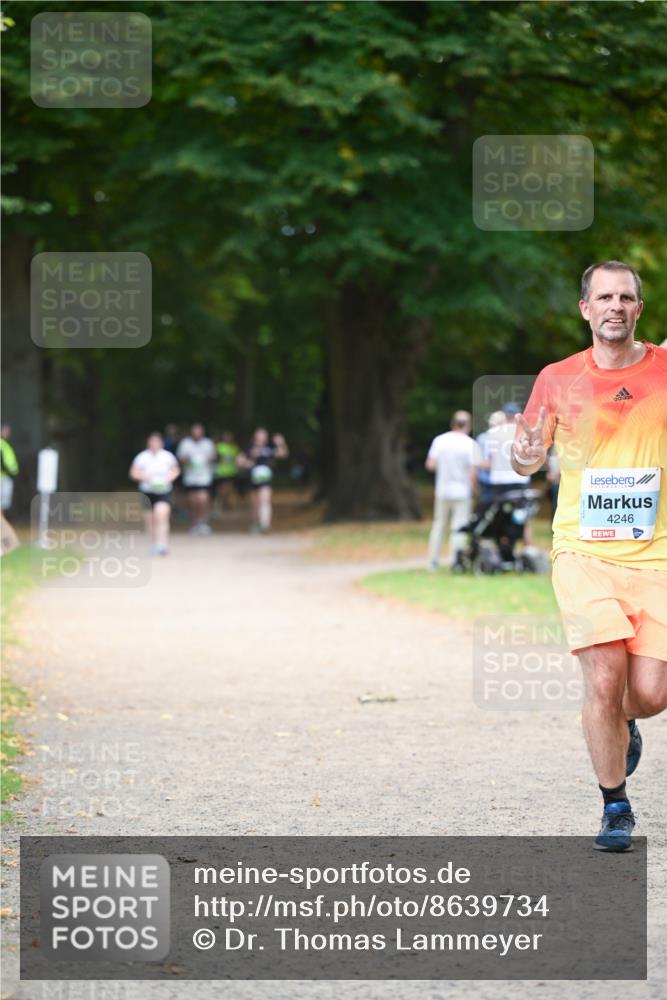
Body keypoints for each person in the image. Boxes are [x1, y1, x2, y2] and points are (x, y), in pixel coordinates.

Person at [512, 260, 667, 852]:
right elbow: (526, 458)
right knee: (603, 678)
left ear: (638, 309)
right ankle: (616, 806)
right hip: (582, 550)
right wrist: (525, 454)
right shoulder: (557, 377)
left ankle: (624, 722)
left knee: (649, 694)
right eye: (604, 297)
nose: (615, 307)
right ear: (585, 309)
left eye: (626, 297)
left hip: (655, 556)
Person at [425, 410, 480, 570]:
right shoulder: (470, 444)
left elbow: (430, 464)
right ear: (468, 426)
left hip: (442, 490)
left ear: (452, 423)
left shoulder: (440, 441)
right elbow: (473, 473)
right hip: (462, 492)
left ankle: (433, 561)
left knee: (438, 525)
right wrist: (475, 490)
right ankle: (455, 561)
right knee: (459, 527)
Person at [129, 432, 180, 556]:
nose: (154, 444)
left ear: (161, 443)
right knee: (150, 520)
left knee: (161, 516)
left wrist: (169, 478)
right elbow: (133, 473)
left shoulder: (167, 456)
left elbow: (176, 470)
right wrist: (144, 476)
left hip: (163, 491)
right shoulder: (142, 457)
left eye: (157, 442)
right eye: (152, 442)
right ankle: (153, 544)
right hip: (147, 492)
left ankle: (162, 544)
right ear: (148, 443)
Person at [237, 428, 288, 533]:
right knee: (255, 503)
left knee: (265, 501)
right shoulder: (249, 448)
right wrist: (247, 463)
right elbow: (238, 460)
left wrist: (281, 443)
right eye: (259, 436)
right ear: (254, 438)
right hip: (252, 478)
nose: (261, 439)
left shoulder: (269, 449)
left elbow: (283, 454)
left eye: (263, 437)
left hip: (265, 479)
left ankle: (265, 524)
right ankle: (255, 524)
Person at [176, 423, 216, 534]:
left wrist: (208, 460)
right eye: (195, 432)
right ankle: (195, 522)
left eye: (199, 431)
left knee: (202, 499)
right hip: (190, 477)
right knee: (193, 500)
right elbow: (180, 458)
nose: (197, 434)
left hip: (204, 476)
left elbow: (214, 457)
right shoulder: (185, 443)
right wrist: (188, 460)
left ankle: (203, 522)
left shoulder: (208, 443)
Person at [476, 410, 505, 505]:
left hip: (498, 480)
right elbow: (480, 462)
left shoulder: (482, 438)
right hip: (487, 481)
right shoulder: (483, 439)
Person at [214, 430, 241, 510]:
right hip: (221, 472)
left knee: (229, 488)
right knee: (221, 490)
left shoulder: (234, 447)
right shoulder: (219, 446)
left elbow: (238, 459)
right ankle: (222, 503)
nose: (227, 438)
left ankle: (228, 504)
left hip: (231, 472)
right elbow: (215, 457)